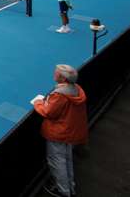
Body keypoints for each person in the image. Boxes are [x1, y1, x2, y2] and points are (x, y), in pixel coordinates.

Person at [31, 65, 88, 197]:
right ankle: (69, 187)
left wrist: (38, 102)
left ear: (62, 78)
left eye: (56, 73)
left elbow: (48, 112)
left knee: (57, 161)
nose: (54, 74)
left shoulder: (60, 95)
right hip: (69, 131)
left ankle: (63, 191)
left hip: (59, 132)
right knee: (67, 158)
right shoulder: (77, 90)